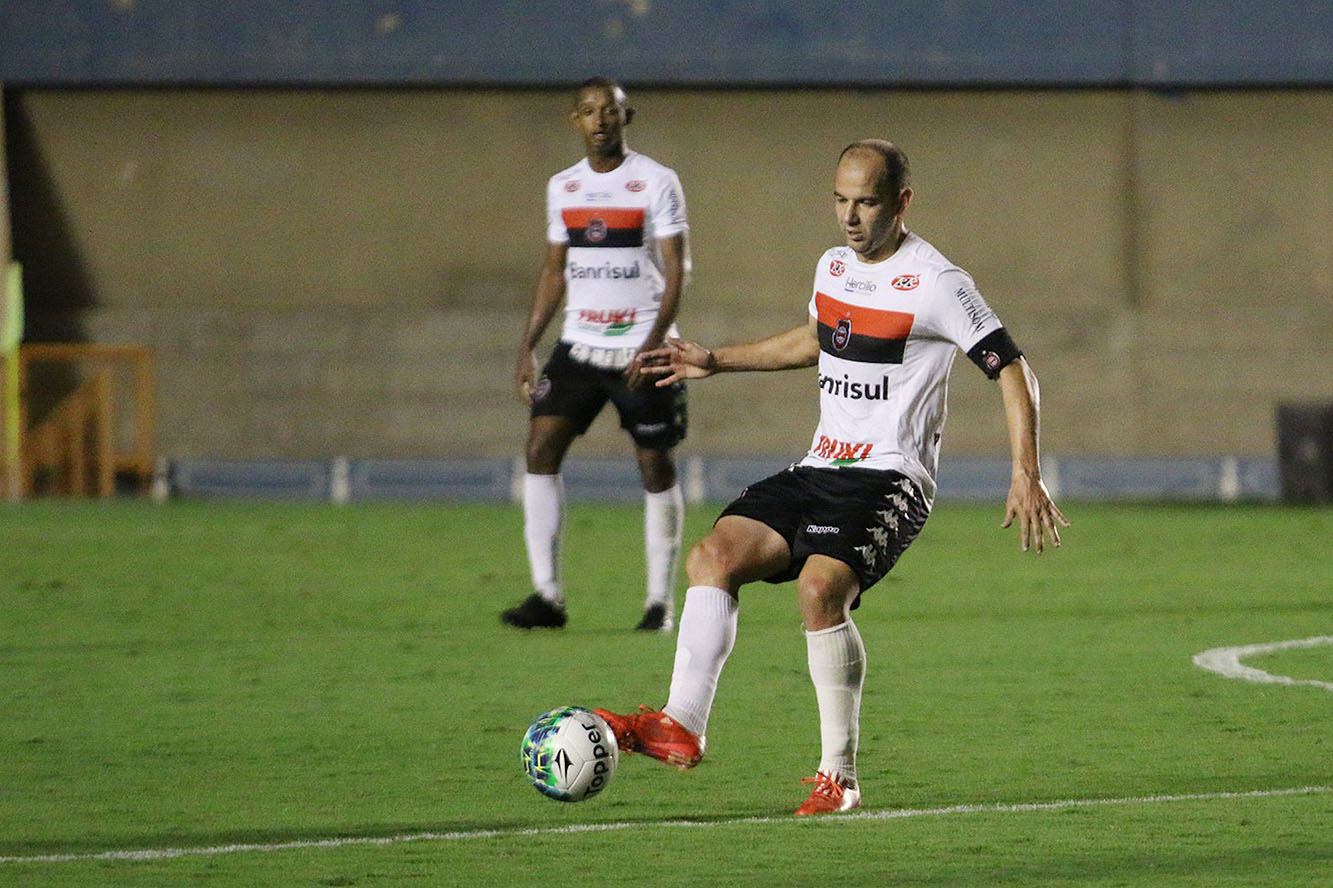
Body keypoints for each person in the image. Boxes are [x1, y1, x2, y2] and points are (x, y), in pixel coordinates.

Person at [594, 139, 1068, 815]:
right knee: (711, 556)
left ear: (900, 203)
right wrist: (716, 360)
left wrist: (1026, 472)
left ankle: (837, 776)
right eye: (840, 200)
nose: (849, 217)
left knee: (819, 590)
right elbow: (817, 338)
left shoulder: (937, 283)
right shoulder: (834, 266)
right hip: (821, 464)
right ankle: (681, 724)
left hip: (888, 479)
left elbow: (1012, 369)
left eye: (866, 202)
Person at [502, 77, 691, 633]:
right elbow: (554, 270)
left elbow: (678, 269)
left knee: (655, 465)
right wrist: (527, 346)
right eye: (588, 111)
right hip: (578, 347)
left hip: (643, 349)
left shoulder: (656, 182)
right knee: (540, 447)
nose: (600, 120)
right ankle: (547, 596)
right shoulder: (563, 187)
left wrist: (655, 342)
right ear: (575, 121)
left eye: (609, 110)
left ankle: (659, 604)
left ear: (626, 116)